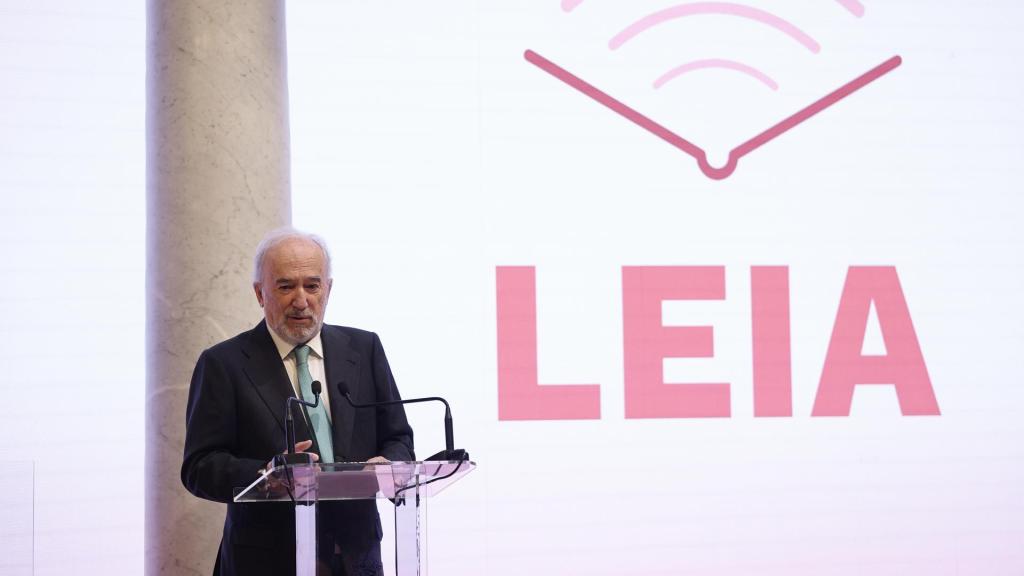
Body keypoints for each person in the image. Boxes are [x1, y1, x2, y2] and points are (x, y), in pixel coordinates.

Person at [181, 228, 414, 576]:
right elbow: (200, 467)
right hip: (266, 560)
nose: (301, 300)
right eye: (286, 286)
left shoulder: (364, 349)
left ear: (328, 289)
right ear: (260, 293)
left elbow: (399, 438)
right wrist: (266, 475)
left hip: (357, 555)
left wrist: (388, 464)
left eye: (312, 285)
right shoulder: (224, 364)